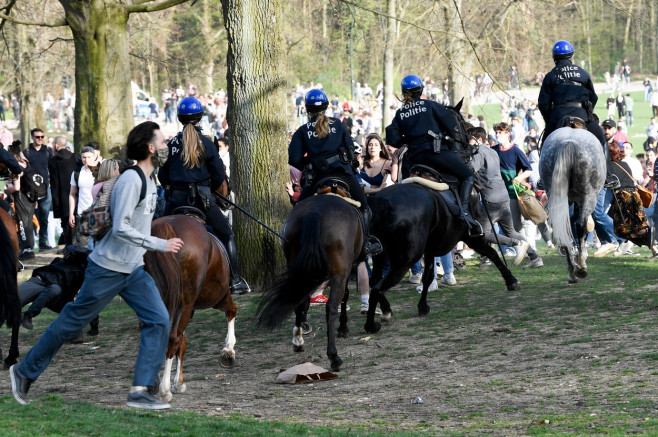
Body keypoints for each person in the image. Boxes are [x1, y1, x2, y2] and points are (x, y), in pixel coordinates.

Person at [10, 121, 184, 410]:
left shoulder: (150, 179)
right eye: (163, 142)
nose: (167, 146)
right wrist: (160, 245)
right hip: (108, 267)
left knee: (159, 320)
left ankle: (140, 390)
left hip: (132, 270)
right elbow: (121, 228)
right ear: (151, 148)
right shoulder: (132, 180)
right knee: (73, 321)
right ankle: (24, 371)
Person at [158, 96, 251, 295]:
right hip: (202, 201)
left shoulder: (172, 143)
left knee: (154, 236)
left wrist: (170, 187)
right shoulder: (208, 144)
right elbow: (218, 174)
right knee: (226, 233)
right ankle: (235, 280)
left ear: (180, 118)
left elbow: (162, 175)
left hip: (175, 202)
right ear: (200, 117)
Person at [289, 89, 382, 256]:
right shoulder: (338, 124)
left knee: (298, 208)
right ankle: (367, 241)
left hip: (317, 180)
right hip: (342, 175)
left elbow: (294, 160)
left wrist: (310, 162)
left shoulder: (302, 131)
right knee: (365, 206)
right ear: (326, 107)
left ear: (307, 109)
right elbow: (351, 149)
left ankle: (293, 243)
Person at [385, 74, 481, 231]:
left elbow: (393, 140)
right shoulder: (430, 105)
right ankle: (464, 212)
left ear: (403, 93)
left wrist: (409, 139)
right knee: (467, 175)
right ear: (420, 90)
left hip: (414, 160)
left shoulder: (400, 113)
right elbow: (452, 127)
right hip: (435, 154)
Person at [469, 127, 543, 268]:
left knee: (482, 234)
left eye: (470, 139)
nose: (468, 142)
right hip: (504, 197)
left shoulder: (478, 152)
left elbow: (470, 171)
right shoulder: (493, 151)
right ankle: (535, 258)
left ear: (479, 140)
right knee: (511, 231)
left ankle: (516, 244)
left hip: (491, 199)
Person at [537, 41, 607, 157]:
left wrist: (550, 120)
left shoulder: (550, 76)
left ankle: (543, 175)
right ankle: (607, 174)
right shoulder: (582, 73)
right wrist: (588, 113)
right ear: (571, 55)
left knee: (544, 147)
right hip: (582, 114)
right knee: (602, 140)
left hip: (558, 115)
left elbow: (543, 103)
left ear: (554, 57)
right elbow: (593, 97)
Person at [19, 245, 99, 340]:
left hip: (57, 295)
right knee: (11, 302)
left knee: (76, 334)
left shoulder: (81, 273)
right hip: (39, 283)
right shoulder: (61, 262)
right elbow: (71, 248)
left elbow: (88, 298)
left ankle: (28, 315)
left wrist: (94, 328)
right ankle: (27, 315)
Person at [607, 141, 658, 256]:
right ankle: (652, 246)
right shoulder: (624, 164)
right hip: (635, 195)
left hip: (623, 198)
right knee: (639, 223)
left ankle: (645, 234)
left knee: (621, 229)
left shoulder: (607, 165)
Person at [23, 128, 54, 251]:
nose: (40, 139)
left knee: (44, 217)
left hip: (45, 189)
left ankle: (43, 242)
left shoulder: (47, 151)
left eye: (42, 136)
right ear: (32, 137)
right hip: (30, 190)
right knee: (28, 218)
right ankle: (28, 245)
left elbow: (52, 168)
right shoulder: (26, 152)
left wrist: (50, 183)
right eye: (37, 137)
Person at [48, 136, 80, 250]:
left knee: (65, 224)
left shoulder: (52, 161)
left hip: (62, 197)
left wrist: (56, 202)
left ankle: (69, 246)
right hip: (77, 194)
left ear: (56, 145)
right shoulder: (75, 157)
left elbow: (54, 183)